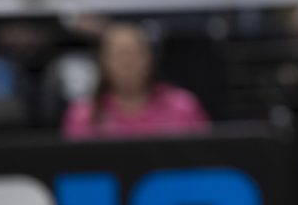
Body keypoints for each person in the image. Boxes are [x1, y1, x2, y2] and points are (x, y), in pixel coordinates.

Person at [62, 22, 210, 139]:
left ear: (150, 59)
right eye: (119, 55)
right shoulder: (83, 115)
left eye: (135, 54)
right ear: (103, 62)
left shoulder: (183, 106)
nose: (127, 63)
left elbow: (207, 159)